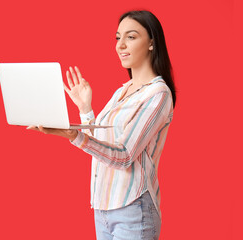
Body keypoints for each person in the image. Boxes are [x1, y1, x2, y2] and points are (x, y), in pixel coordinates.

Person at [27, 10, 176, 240]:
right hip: (103, 207)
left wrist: (73, 135)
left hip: (133, 208)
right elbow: (104, 145)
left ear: (151, 43)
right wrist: (86, 110)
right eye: (118, 37)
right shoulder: (121, 91)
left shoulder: (158, 94)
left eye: (131, 37)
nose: (121, 45)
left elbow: (124, 155)